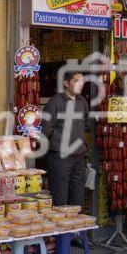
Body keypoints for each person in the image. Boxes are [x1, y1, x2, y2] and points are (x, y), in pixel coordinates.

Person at [42, 71, 89, 207]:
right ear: (66, 83)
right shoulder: (55, 102)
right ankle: (62, 226)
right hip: (60, 157)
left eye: (82, 81)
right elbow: (46, 129)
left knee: (78, 194)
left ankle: (76, 227)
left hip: (79, 156)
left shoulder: (82, 102)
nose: (81, 84)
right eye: (76, 81)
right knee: (59, 195)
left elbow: (86, 125)